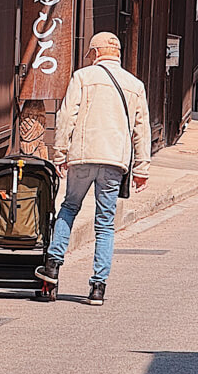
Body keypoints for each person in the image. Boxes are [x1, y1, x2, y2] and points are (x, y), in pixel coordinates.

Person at [36, 32, 151, 305]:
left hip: (83, 157)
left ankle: (52, 265)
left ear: (96, 53)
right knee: (105, 224)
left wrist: (60, 152)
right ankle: (97, 287)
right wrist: (142, 168)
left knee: (69, 207)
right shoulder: (134, 85)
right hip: (114, 162)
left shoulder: (83, 77)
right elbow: (141, 130)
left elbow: (66, 116)